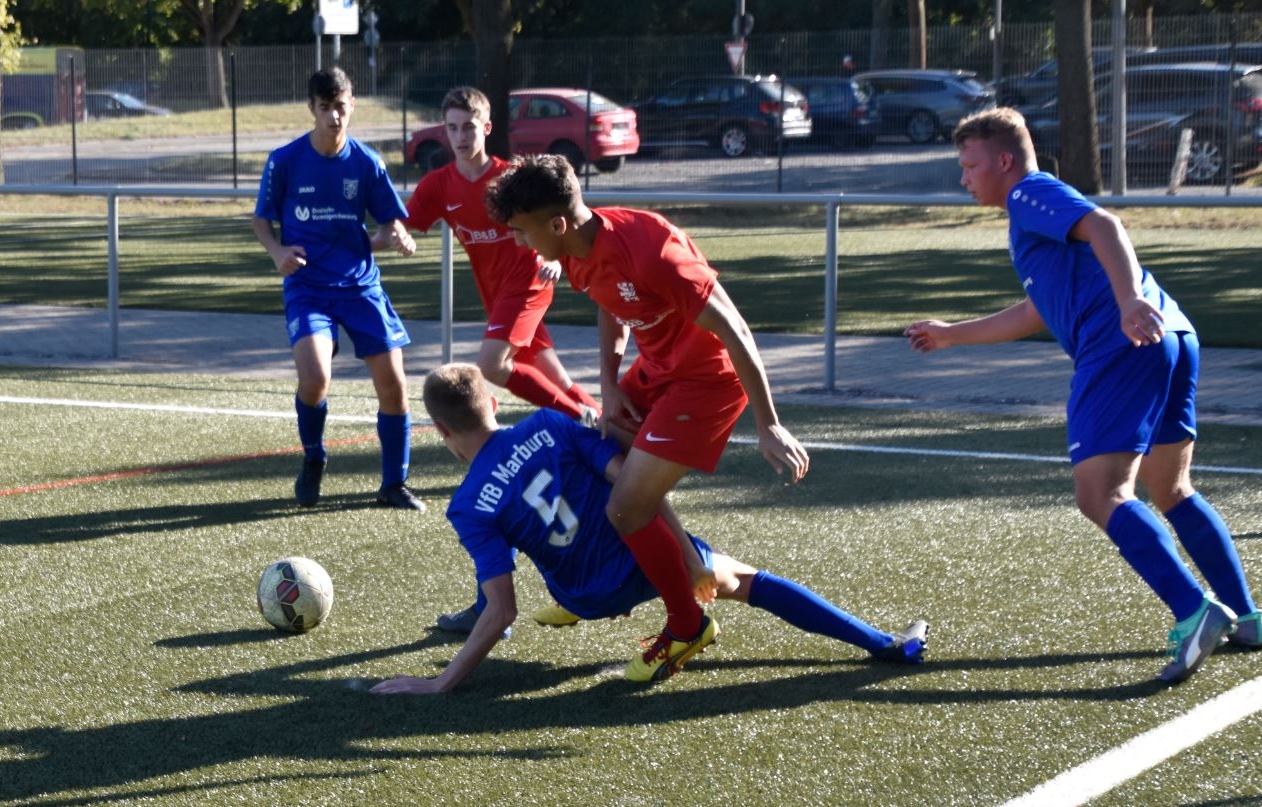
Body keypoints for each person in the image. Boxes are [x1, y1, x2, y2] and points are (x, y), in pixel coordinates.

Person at [903, 107, 1262, 684]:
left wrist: (1126, 302)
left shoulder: (1029, 194)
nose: (964, 178)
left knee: (1100, 494)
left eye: (970, 165)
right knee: (1170, 488)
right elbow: (1037, 310)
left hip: (1122, 344)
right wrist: (952, 335)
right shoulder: (1033, 218)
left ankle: (1194, 612)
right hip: (1171, 335)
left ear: (1004, 160)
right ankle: (1245, 616)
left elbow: (1106, 225)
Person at [370, 364, 928, 694]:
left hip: (586, 594)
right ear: (493, 402)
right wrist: (686, 553)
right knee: (745, 581)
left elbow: (500, 612)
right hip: (645, 556)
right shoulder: (548, 424)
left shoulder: (468, 507)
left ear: (440, 429)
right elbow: (633, 481)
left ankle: (586, 606)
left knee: (565, 562)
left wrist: (440, 683)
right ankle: (884, 645)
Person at [483, 154, 810, 645]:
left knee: (625, 509)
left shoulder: (652, 252)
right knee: (593, 449)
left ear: (556, 224)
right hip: (658, 371)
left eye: (521, 231)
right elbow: (610, 305)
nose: (518, 242)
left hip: (706, 382)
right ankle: (681, 560)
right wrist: (610, 383)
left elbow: (736, 330)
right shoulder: (571, 248)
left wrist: (770, 424)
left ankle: (687, 627)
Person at [403, 86, 601, 635]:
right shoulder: (439, 184)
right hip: (500, 302)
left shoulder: (511, 178)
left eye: (469, 126)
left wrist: (555, 258)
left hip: (529, 283)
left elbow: (566, 214)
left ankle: (587, 419)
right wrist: (376, 236)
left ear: (487, 127)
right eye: (451, 127)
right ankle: (602, 424)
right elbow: (403, 226)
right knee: (555, 383)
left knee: (492, 366)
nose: (459, 136)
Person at [253, 67, 424, 512]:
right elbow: (261, 220)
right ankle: (314, 456)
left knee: (394, 385)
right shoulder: (285, 160)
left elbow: (388, 222)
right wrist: (276, 252)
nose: (334, 116)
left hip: (360, 287)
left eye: (341, 107)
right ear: (311, 108)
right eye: (325, 107)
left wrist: (398, 235)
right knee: (315, 380)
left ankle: (394, 484)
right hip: (308, 287)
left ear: (353, 106)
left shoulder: (367, 163)